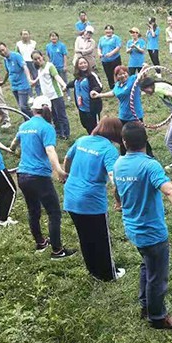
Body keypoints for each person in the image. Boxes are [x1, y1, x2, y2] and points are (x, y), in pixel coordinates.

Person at [115, 122, 172, 329]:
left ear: (124, 142)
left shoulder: (118, 164)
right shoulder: (149, 166)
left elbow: (117, 191)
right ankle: (158, 317)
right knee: (157, 277)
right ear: (146, 140)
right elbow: (170, 190)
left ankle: (146, 306)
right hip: (151, 232)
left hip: (132, 228)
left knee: (147, 265)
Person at [10, 96, 75, 259]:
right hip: (39, 176)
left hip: (22, 175)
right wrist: (59, 171)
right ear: (49, 110)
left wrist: (13, 150)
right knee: (54, 212)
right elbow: (50, 150)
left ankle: (40, 243)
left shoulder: (24, 125)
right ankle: (57, 251)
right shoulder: (47, 127)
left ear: (33, 110)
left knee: (33, 211)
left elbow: (14, 143)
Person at [63, 117, 124, 281]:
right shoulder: (109, 150)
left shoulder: (82, 140)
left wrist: (67, 174)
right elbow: (114, 178)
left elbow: (67, 158)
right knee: (101, 239)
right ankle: (108, 274)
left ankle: (93, 270)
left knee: (85, 236)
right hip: (91, 200)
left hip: (71, 195)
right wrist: (119, 200)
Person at [138, 76, 172, 176]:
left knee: (171, 142)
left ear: (149, 86)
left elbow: (168, 94)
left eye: (145, 90)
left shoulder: (158, 89)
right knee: (167, 140)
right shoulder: (158, 84)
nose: (146, 93)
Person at [92, 66, 146, 130]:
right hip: (123, 116)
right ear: (116, 76)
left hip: (135, 116)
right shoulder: (117, 85)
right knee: (124, 134)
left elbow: (141, 76)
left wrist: (144, 69)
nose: (123, 75)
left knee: (139, 134)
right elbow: (113, 93)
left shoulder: (133, 80)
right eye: (120, 74)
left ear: (127, 73)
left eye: (124, 73)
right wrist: (99, 95)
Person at [32, 50, 70, 140]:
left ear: (42, 56)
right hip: (47, 98)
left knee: (61, 115)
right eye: (35, 59)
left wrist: (64, 85)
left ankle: (66, 133)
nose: (38, 60)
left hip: (56, 95)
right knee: (53, 116)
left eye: (39, 58)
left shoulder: (49, 66)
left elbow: (57, 76)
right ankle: (58, 133)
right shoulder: (39, 69)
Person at [0, 42, 31, 116]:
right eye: (0, 52)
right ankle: (27, 120)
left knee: (23, 106)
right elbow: (8, 72)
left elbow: (25, 67)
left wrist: (29, 78)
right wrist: (3, 81)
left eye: (3, 50)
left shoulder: (16, 56)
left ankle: (33, 118)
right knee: (22, 108)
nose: (2, 52)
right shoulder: (5, 60)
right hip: (14, 87)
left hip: (23, 85)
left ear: (6, 47)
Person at [73, 57, 103, 134]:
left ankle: (99, 140)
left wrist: (94, 90)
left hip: (92, 108)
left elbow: (99, 86)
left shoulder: (92, 75)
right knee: (86, 126)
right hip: (82, 108)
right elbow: (74, 83)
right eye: (81, 63)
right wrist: (66, 86)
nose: (83, 65)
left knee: (95, 128)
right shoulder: (77, 77)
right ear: (77, 66)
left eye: (85, 63)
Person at [98, 24, 123, 89]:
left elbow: (118, 47)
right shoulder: (102, 39)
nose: (108, 31)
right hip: (105, 60)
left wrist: (111, 53)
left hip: (115, 59)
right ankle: (112, 88)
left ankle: (119, 86)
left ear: (112, 30)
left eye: (110, 29)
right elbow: (99, 47)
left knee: (117, 73)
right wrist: (99, 53)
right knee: (108, 75)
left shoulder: (116, 38)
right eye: (107, 29)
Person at [45, 32, 69, 96]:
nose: (54, 37)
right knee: (55, 81)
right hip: (53, 67)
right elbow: (48, 56)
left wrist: (65, 65)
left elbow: (65, 55)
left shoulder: (62, 45)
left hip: (61, 66)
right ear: (50, 38)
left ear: (58, 37)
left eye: (55, 36)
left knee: (64, 81)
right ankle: (59, 93)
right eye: (52, 36)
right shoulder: (48, 46)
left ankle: (68, 94)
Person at [16, 30, 38, 96]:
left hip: (32, 62)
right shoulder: (18, 44)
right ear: (21, 36)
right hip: (24, 63)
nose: (25, 36)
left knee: (36, 77)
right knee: (27, 79)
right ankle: (31, 95)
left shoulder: (33, 43)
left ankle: (38, 93)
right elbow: (17, 53)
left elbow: (36, 52)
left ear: (29, 35)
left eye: (26, 34)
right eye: (23, 34)